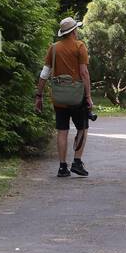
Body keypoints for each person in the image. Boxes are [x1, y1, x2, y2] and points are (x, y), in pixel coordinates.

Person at [35, 17, 94, 178]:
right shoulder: (80, 46)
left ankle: (62, 167)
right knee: (83, 128)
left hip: (59, 97)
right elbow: (84, 73)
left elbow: (45, 73)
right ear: (74, 31)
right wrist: (88, 96)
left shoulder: (53, 48)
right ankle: (77, 162)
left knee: (62, 130)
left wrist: (39, 95)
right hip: (77, 97)